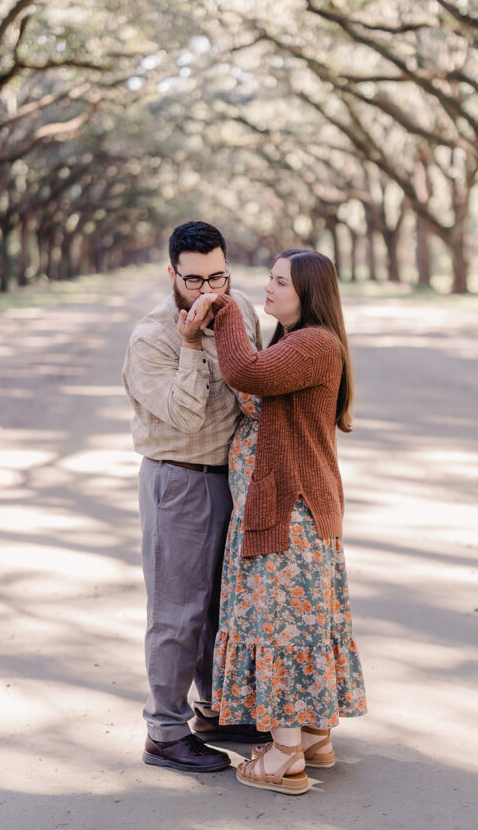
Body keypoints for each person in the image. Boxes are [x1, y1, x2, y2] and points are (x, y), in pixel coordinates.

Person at [185, 249, 366, 795]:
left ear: (306, 292)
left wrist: (225, 313)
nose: (266, 287)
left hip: (289, 513)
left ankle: (286, 754)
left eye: (279, 280)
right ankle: (313, 734)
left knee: (281, 626)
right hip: (286, 508)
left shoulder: (314, 343)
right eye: (267, 277)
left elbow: (244, 371)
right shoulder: (295, 342)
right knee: (302, 623)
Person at [122, 220, 270, 775]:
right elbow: (184, 418)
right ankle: (164, 731)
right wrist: (190, 344)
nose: (209, 291)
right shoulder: (153, 337)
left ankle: (213, 709)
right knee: (175, 612)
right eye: (194, 280)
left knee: (218, 603)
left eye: (219, 276)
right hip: (176, 479)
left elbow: (252, 383)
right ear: (172, 275)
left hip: (229, 476)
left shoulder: (243, 311)